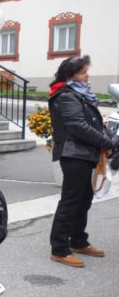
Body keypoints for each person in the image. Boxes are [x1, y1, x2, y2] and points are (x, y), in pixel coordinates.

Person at [47, 55, 118, 267]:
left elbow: (94, 123)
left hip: (85, 154)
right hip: (74, 155)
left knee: (84, 199)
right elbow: (78, 125)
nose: (87, 76)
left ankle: (78, 241)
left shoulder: (79, 94)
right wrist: (107, 142)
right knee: (71, 202)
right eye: (82, 72)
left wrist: (107, 139)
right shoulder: (67, 96)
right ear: (70, 76)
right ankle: (59, 249)